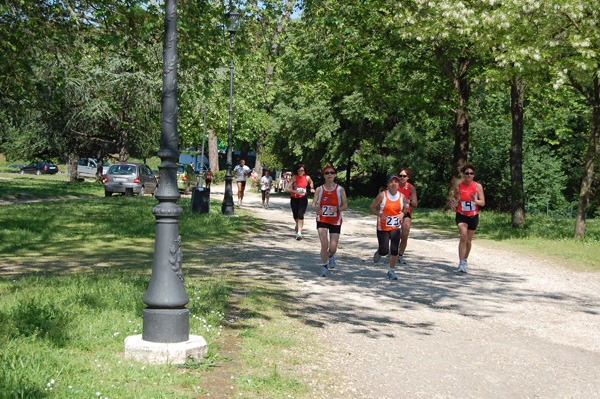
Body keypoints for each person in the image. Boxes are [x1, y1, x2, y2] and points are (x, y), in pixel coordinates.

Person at [311, 166, 348, 277]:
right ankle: (324, 266)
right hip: (322, 219)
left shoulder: (340, 189)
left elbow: (345, 205)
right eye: (327, 173)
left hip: (335, 220)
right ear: (324, 175)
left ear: (334, 175)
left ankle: (331, 255)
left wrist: (337, 209)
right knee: (324, 244)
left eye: (332, 173)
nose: (329, 174)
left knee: (333, 247)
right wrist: (316, 209)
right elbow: (313, 203)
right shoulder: (319, 189)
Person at [370, 175, 406, 280]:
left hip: (396, 226)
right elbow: (372, 207)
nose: (394, 184)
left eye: (396, 182)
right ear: (387, 184)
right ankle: (380, 252)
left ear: (398, 184)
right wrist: (380, 215)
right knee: (385, 250)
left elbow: (406, 209)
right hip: (383, 227)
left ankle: (391, 271)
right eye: (391, 182)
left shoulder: (402, 196)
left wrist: (403, 214)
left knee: (395, 249)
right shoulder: (382, 196)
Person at [450, 164, 485, 273]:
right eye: (467, 173)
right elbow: (454, 197)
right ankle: (461, 263)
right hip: (461, 215)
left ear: (473, 175)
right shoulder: (459, 187)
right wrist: (453, 202)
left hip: (473, 216)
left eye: (471, 173)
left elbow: (483, 203)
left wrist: (475, 200)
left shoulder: (477, 186)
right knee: (464, 237)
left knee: (468, 240)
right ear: (463, 174)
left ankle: (465, 260)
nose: (469, 175)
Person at [286, 164, 315, 240]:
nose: (300, 172)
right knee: (295, 216)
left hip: (303, 198)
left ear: (304, 171)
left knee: (300, 215)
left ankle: (299, 233)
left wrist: (312, 188)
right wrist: (295, 191)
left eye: (302, 170)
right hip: (294, 198)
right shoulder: (294, 178)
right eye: (299, 170)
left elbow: (311, 182)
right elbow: (287, 189)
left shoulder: (307, 177)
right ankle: (297, 223)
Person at [397, 167, 418, 265]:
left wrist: (408, 200)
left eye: (404, 176)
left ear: (408, 177)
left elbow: (415, 203)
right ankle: (392, 249)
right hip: (394, 213)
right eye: (400, 176)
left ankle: (400, 255)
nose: (402, 178)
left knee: (405, 234)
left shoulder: (411, 187)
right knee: (393, 234)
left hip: (406, 213)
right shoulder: (394, 186)